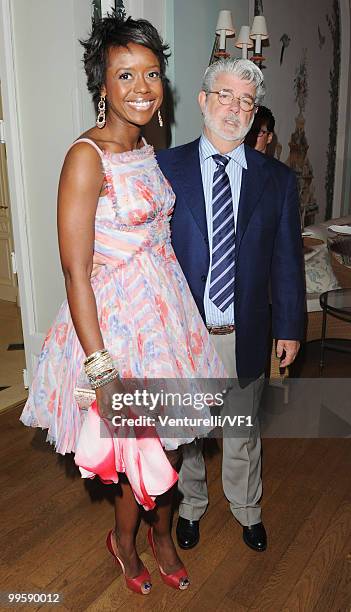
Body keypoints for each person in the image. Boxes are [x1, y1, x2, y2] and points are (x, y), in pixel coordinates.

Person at [20, 14, 226, 595]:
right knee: (130, 457)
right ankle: (128, 543)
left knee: (170, 442)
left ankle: (160, 539)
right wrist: (102, 369)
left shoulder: (144, 145)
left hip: (166, 321)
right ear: (103, 86)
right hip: (113, 331)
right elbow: (74, 270)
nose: (143, 86)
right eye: (126, 74)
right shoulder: (87, 157)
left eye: (153, 73)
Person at [156, 59, 305, 553]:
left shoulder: (277, 181)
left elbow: (286, 260)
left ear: (255, 112)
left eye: (245, 100)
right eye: (225, 95)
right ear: (202, 100)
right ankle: (191, 507)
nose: (234, 108)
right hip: (183, 335)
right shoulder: (163, 169)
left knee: (242, 430)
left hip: (244, 333)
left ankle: (247, 509)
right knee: (189, 435)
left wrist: (289, 326)